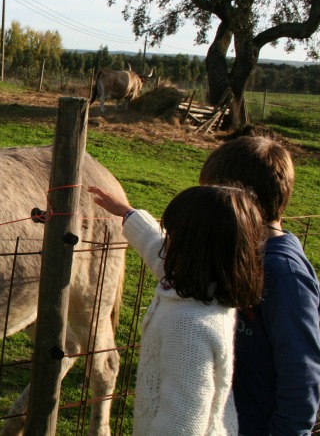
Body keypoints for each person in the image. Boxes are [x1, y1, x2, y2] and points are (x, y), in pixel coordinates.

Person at [87, 184, 265, 435]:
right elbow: (155, 248)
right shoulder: (205, 290)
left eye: (171, 236)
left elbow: (182, 423)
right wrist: (128, 214)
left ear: (190, 250)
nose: (164, 242)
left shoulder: (189, 327)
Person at [199, 134, 320, 435]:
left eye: (212, 199)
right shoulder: (240, 253)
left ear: (244, 203)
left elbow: (302, 375)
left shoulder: (285, 277)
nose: (206, 209)